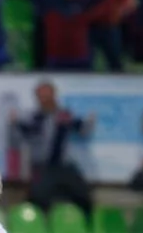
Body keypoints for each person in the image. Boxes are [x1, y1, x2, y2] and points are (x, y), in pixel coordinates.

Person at [10, 80, 95, 219]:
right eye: (41, 96)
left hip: (63, 165)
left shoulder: (64, 115)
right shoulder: (33, 117)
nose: (45, 100)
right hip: (42, 166)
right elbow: (19, 137)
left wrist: (90, 122)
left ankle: (87, 225)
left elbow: (82, 130)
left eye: (47, 96)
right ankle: (36, 226)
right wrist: (13, 124)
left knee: (82, 194)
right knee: (38, 197)